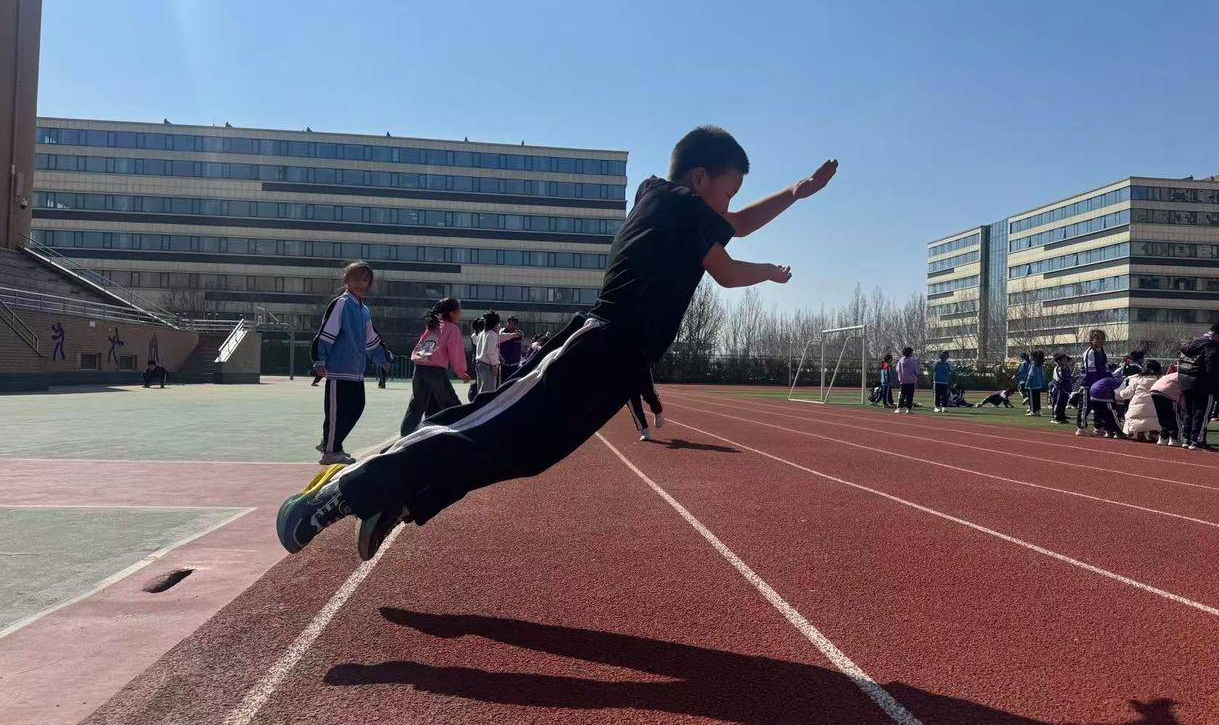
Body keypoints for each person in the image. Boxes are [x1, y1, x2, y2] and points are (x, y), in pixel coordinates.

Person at [277, 126, 838, 560]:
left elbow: (729, 244)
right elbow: (731, 256)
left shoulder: (684, 216)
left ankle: (403, 496)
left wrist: (788, 212)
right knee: (487, 424)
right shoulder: (673, 203)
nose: (728, 206)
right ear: (698, 179)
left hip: (622, 362)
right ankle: (339, 492)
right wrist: (784, 226)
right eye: (728, 192)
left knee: (527, 454)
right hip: (597, 345)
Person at [310, 261, 391, 466]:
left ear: (369, 283)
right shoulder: (342, 304)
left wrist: (383, 359)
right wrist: (320, 360)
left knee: (356, 408)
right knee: (336, 414)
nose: (360, 284)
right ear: (346, 280)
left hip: (356, 371)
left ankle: (331, 443)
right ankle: (331, 451)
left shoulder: (364, 310)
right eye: (355, 279)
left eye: (364, 280)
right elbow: (326, 334)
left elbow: (371, 339)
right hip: (338, 371)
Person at [400, 297, 473, 437]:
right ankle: (464, 431)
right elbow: (456, 352)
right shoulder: (452, 328)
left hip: (419, 369)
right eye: (459, 311)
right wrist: (461, 372)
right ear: (451, 313)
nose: (461, 314)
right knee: (450, 403)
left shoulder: (433, 326)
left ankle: (405, 435)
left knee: (418, 405)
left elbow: (425, 348)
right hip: (435, 371)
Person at [1177, 320, 1219, 451]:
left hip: (1186, 382)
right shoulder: (1213, 345)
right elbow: (1213, 367)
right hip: (1204, 384)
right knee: (1202, 413)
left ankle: (1186, 439)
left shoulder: (1192, 342)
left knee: (1189, 411)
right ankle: (1197, 440)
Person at [475, 311, 522, 394]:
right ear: (495, 324)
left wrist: (512, 335)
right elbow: (490, 352)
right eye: (498, 324)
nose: (499, 326)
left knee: (481, 389)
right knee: (488, 391)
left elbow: (500, 337)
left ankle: (479, 401)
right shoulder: (492, 335)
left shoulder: (482, 333)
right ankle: (485, 403)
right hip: (488, 366)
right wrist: (494, 365)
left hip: (479, 364)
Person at [1117, 359, 1163, 441]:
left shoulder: (1136, 380)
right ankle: (1153, 432)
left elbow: (1125, 395)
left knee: (1135, 412)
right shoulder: (1160, 381)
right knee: (1155, 412)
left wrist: (1121, 392)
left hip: (1136, 413)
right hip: (1155, 413)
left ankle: (1140, 432)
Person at [1075, 330, 1110, 436]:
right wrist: (1097, 383)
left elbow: (1106, 368)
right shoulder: (1090, 352)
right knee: (1085, 406)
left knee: (1099, 406)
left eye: (1102, 338)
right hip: (1088, 384)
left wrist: (1109, 380)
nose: (1100, 340)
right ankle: (1081, 427)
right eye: (1097, 338)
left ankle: (1098, 427)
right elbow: (1091, 370)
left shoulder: (1102, 352)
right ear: (1091, 340)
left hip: (1099, 384)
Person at [1149, 363, 1184, 447]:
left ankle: (1163, 437)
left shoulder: (1172, 375)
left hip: (1154, 390)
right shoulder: (1184, 377)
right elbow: (1182, 399)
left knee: (1162, 416)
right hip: (1167, 392)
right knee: (1173, 416)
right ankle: (1174, 438)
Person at [628, 368, 665, 440]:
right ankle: (644, 430)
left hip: (641, 366)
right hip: (623, 372)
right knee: (633, 404)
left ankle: (658, 412)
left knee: (649, 394)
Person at [1086, 373, 1124, 439]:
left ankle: (1108, 432)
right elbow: (1119, 396)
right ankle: (1119, 432)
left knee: (1103, 415)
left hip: (1093, 392)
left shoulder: (1112, 380)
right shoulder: (1122, 382)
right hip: (1102, 393)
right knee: (1112, 414)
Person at [1048, 353, 1075, 424]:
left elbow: (1069, 376)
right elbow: (1060, 378)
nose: (1066, 361)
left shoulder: (1066, 368)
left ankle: (1061, 416)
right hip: (1059, 389)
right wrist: (1069, 379)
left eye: (1066, 360)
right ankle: (1056, 417)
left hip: (1065, 389)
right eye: (1064, 359)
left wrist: (1072, 378)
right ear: (1059, 361)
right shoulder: (1058, 368)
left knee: (1063, 403)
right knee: (1058, 402)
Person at [499, 317, 524, 382]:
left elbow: (518, 338)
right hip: (504, 363)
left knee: (513, 381)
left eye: (513, 324)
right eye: (509, 323)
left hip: (515, 363)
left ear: (516, 325)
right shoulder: (502, 332)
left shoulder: (519, 333)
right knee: (503, 381)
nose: (510, 325)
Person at [895, 346, 919, 414]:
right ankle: (908, 409)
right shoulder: (912, 361)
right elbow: (916, 370)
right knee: (910, 396)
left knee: (902, 395)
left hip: (903, 381)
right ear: (910, 353)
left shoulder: (900, 360)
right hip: (911, 381)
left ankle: (899, 408)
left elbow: (897, 369)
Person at [1023, 349, 1046, 417]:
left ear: (1032, 357)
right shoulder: (1040, 365)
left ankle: (1033, 411)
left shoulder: (1033, 365)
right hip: (1038, 385)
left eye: (1030, 356)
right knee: (1037, 399)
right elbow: (1043, 376)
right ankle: (1038, 411)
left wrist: (1027, 384)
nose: (1029, 357)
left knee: (1032, 399)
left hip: (1032, 385)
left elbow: (1030, 375)